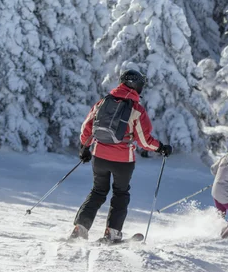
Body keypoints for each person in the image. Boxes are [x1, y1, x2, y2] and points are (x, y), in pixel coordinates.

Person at [69, 69, 172, 243]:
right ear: (137, 86)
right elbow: (144, 140)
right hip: (123, 160)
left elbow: (87, 127)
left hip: (99, 156)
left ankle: (80, 229)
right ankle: (113, 232)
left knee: (97, 191)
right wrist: (161, 148)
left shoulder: (103, 102)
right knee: (120, 194)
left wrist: (85, 147)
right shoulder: (136, 109)